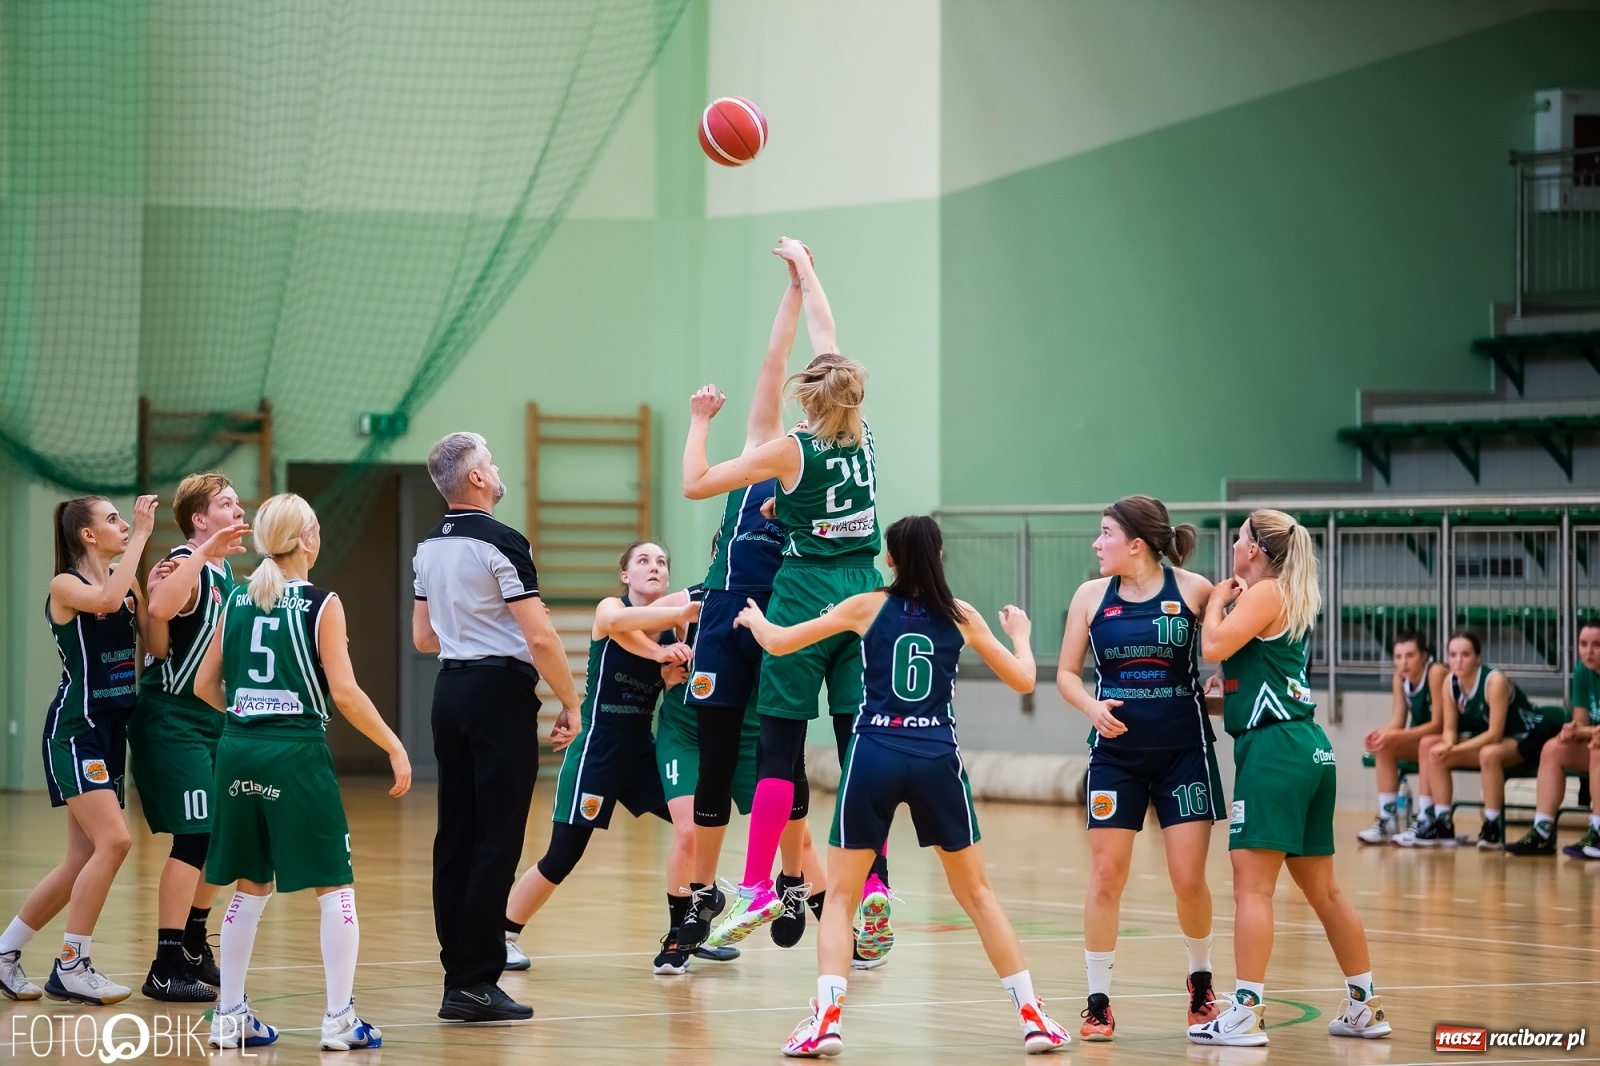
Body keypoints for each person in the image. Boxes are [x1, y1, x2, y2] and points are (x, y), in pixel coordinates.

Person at [736, 515, 1071, 1058]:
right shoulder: (961, 615)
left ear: (889, 559)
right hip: (937, 756)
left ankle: (827, 1021)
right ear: (940, 557)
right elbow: (1026, 680)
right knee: (979, 895)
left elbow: (778, 644)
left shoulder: (867, 605)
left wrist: (755, 619)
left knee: (842, 899)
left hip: (874, 754)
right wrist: (1023, 637)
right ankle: (1032, 1016)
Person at [683, 237, 892, 953]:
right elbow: (826, 345)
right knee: (860, 747)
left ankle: (755, 887)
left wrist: (699, 426)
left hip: (803, 593)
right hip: (866, 594)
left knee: (780, 746)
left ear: (806, 396)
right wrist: (807, 273)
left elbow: (696, 483)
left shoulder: (786, 451)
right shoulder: (862, 435)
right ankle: (874, 885)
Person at [194, 492, 410, 1051]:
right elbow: (345, 693)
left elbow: (202, 686)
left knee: (250, 882)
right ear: (308, 538)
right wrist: (394, 745)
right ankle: (340, 1020)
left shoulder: (236, 598)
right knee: (333, 884)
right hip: (296, 754)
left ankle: (229, 1015)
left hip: (237, 749)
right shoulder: (322, 603)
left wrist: (248, 715)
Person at [674, 250, 836, 957]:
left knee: (783, 755)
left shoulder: (817, 458)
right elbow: (776, 363)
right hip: (723, 615)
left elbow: (830, 368)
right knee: (714, 756)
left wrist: (808, 282)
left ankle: (793, 880)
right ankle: (703, 893)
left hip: (781, 615)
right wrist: (794, 291)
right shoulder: (761, 447)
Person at [1188, 510, 1390, 1047]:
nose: (1233, 544)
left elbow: (1211, 645)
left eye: (1239, 537)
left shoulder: (1263, 593)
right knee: (1324, 891)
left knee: (1251, 887)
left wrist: (1213, 605)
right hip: (1307, 749)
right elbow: (1249, 676)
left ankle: (1246, 1011)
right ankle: (1364, 1004)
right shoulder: (1285, 597)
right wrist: (1223, 689)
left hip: (1275, 752)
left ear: (1254, 550)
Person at [412, 432, 583, 1022]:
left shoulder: (428, 546)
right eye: (491, 460)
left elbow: (423, 637)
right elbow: (539, 636)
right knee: (498, 837)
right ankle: (477, 981)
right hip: (497, 695)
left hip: (449, 690)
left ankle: (458, 973)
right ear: (478, 479)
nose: (497, 467)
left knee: (455, 834)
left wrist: (468, 632)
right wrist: (570, 701)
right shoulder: (504, 542)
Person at [1056, 496, 1221, 1039]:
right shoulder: (1089, 597)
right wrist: (1091, 707)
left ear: (1136, 543)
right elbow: (1065, 675)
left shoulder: (1195, 590)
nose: (1096, 543)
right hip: (1116, 758)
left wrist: (1223, 690)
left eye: (1104, 533)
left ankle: (1201, 984)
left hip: (1182, 754)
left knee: (1188, 878)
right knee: (1106, 876)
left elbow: (1231, 648)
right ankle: (1098, 1000)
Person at [499, 542, 698, 974]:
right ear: (625, 575)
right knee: (563, 855)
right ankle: (503, 935)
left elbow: (666, 685)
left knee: (696, 830)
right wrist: (659, 652)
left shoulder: (673, 629)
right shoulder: (613, 608)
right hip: (598, 748)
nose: (654, 567)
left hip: (640, 750)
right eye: (643, 561)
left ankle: (685, 935)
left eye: (662, 561)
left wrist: (670, 674)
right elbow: (616, 625)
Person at [0, 495, 160, 1006]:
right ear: (88, 535)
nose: (122, 525)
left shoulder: (125, 579)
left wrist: (170, 587)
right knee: (115, 843)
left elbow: (156, 644)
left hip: (113, 731)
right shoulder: (66, 585)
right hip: (76, 729)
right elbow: (109, 601)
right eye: (112, 519)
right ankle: (72, 963)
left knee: (80, 861)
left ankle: (4, 953)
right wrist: (139, 536)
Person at [128, 473, 249, 1001]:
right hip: (172, 720)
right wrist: (202, 554)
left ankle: (195, 943)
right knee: (196, 836)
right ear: (200, 520)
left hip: (214, 722)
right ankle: (165, 961)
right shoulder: (183, 564)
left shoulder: (229, 578)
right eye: (226, 504)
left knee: (223, 838)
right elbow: (158, 611)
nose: (238, 510)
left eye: (238, 502)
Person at [1394, 630, 1561, 849]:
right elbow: (1449, 730)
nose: (1458, 660)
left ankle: (1492, 827)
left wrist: (1454, 750)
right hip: (1493, 739)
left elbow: (1494, 734)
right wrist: (1447, 745)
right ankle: (1443, 823)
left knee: (1488, 754)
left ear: (1478, 658)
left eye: (1465, 654)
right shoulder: (1450, 684)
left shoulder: (1495, 681)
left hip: (1529, 736)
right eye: (1453, 655)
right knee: (1435, 751)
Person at [1505, 620, 1600, 856]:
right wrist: (1571, 729)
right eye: (1583, 644)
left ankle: (1598, 832)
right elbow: (1582, 723)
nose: (1588, 651)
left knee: (1598, 749)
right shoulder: (1581, 672)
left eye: (1597, 645)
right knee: (1552, 749)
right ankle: (1542, 831)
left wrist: (1585, 733)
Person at [1356, 631, 1447, 845]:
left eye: (1410, 655)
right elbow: (1397, 720)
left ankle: (1426, 819)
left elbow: (1439, 724)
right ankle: (1388, 820)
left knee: (1424, 743)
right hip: (1424, 739)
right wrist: (1380, 734)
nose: (1403, 662)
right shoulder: (1400, 677)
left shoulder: (1435, 673)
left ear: (1424, 656)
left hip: (1452, 739)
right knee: (1384, 746)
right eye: (1398, 657)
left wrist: (1395, 734)